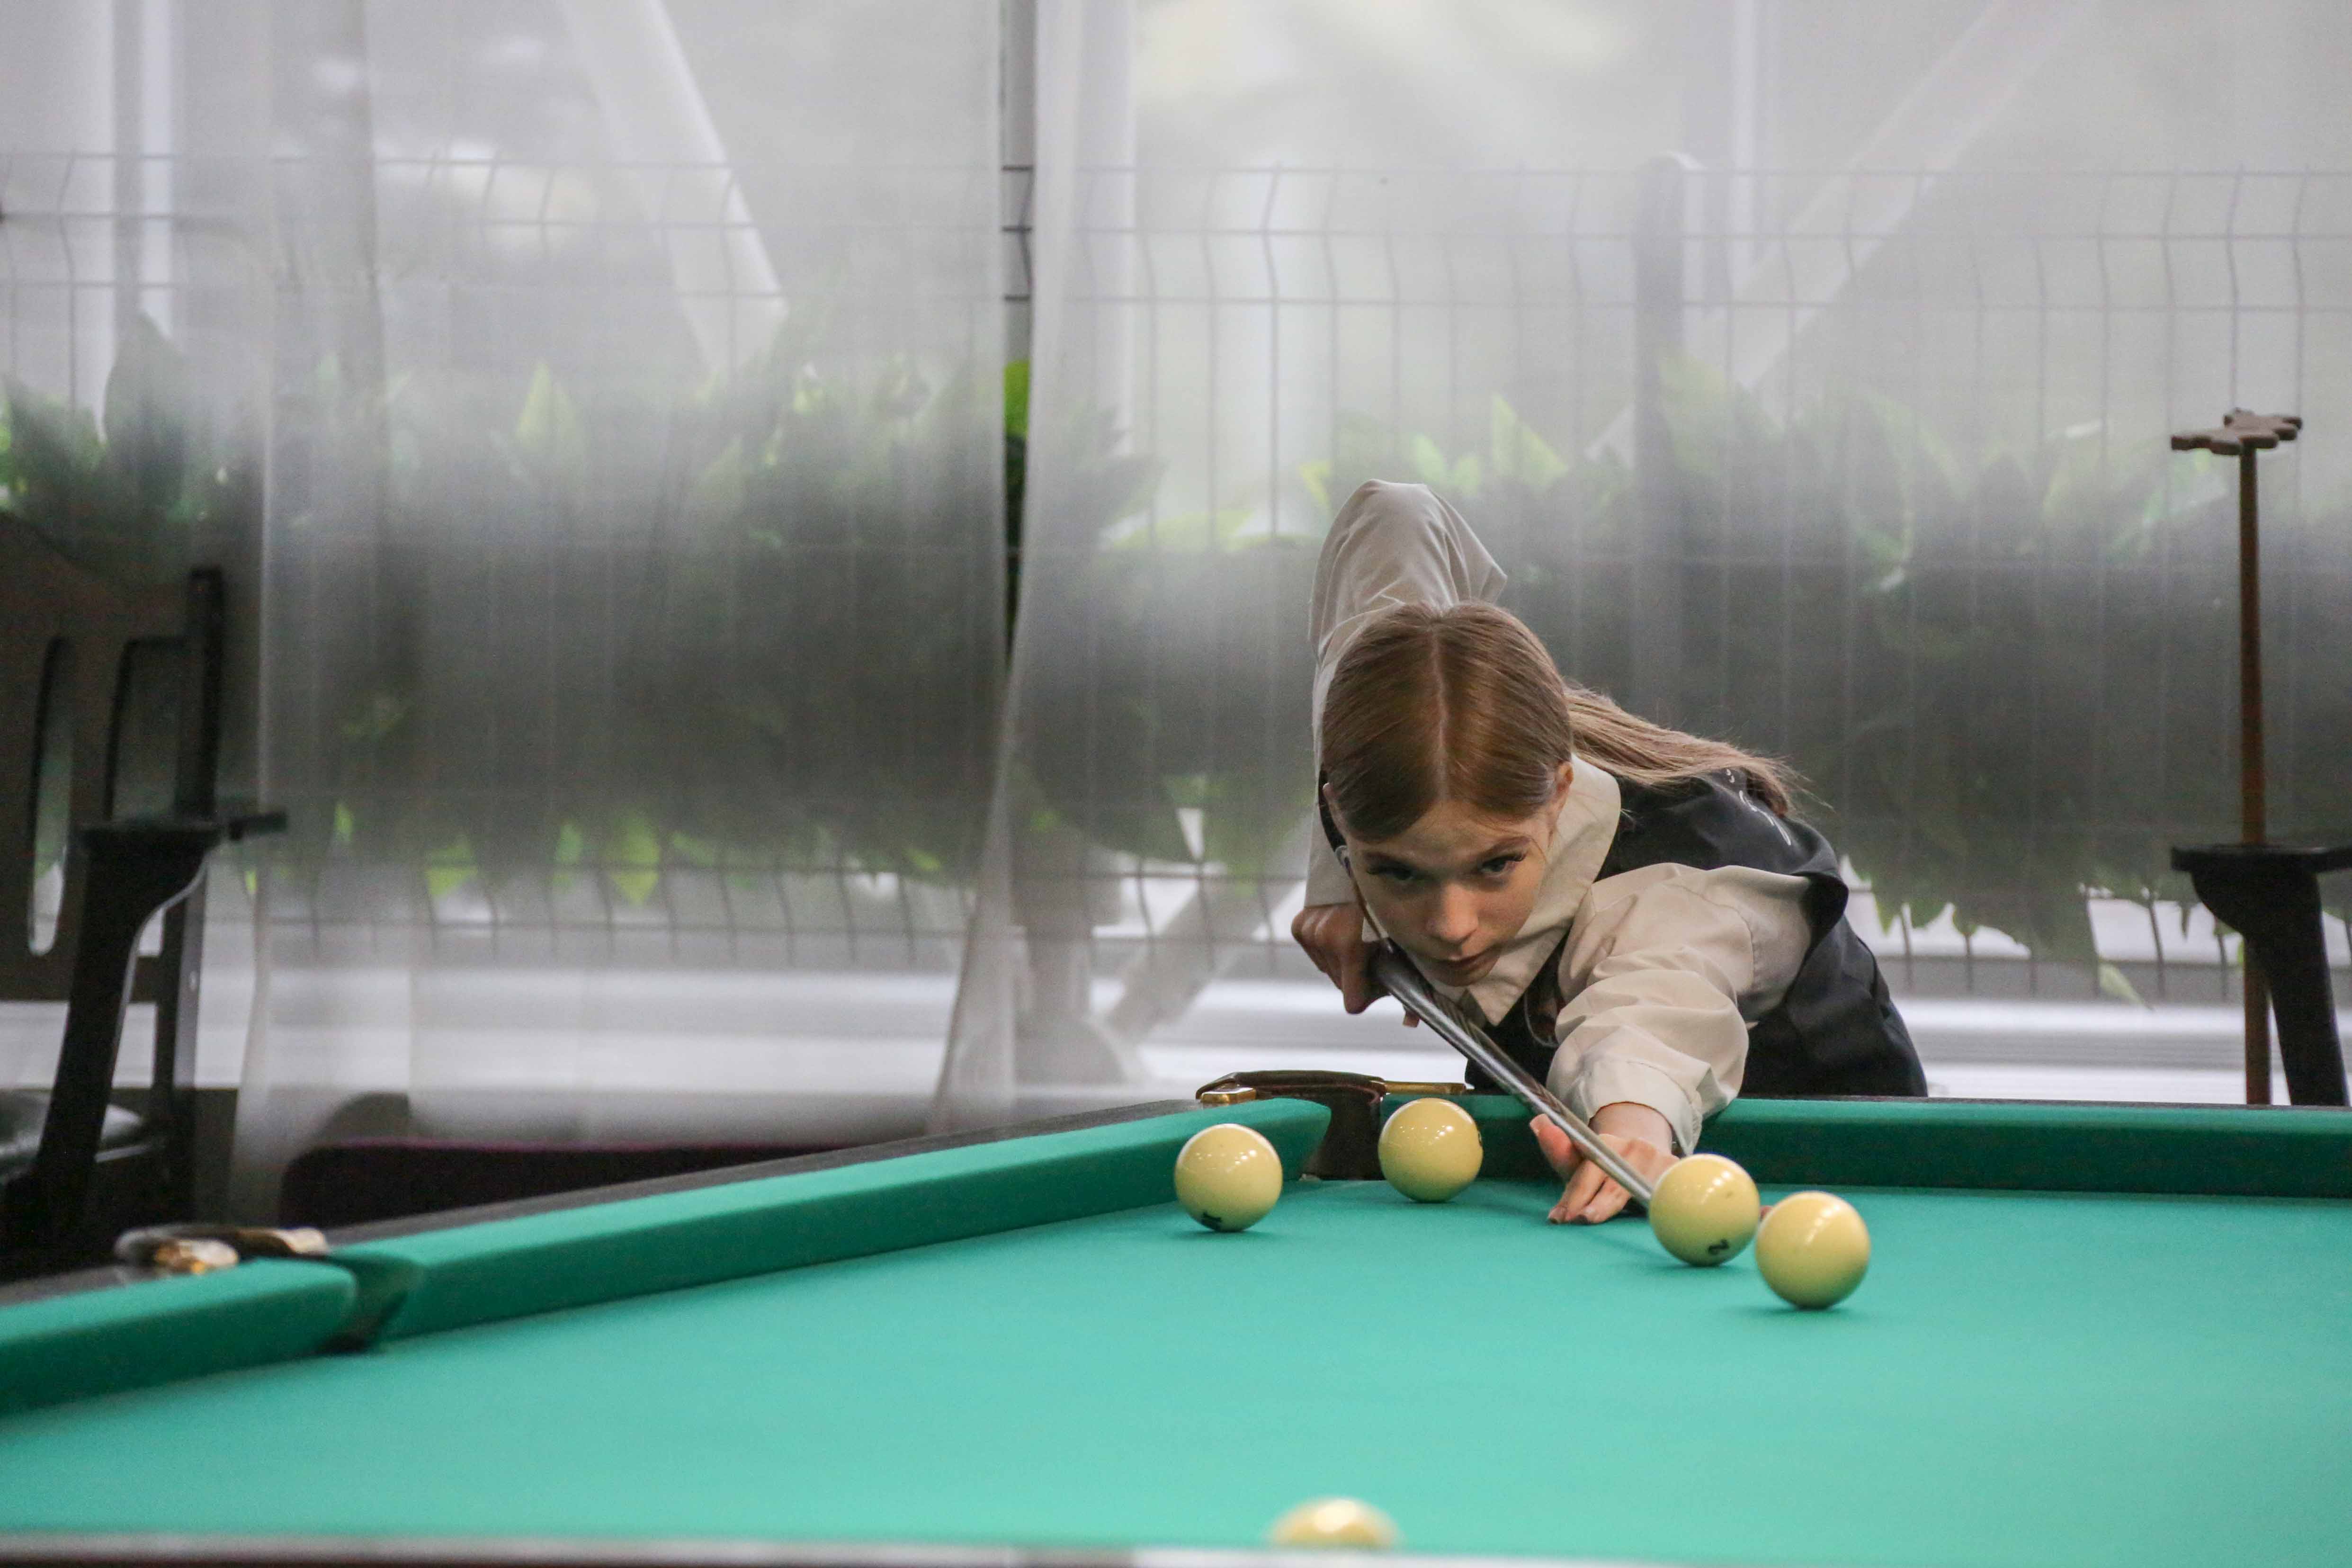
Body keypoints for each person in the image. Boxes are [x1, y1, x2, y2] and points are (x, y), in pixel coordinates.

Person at [1294, 480, 1924, 1225]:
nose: (1452, 926)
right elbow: (1395, 517)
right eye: (1399, 871)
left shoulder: (1673, 894)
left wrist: (1631, 1132)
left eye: (1495, 866)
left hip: (1839, 1175)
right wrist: (1335, 882)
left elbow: (1655, 1009)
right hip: (1564, 1162)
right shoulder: (1385, 725)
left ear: (1558, 794)